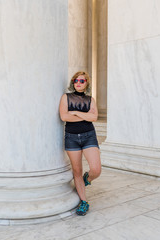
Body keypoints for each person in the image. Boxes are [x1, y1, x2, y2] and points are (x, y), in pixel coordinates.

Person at [59, 71, 101, 216]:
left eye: (82, 81)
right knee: (76, 171)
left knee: (96, 169)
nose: (78, 83)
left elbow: (94, 117)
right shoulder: (66, 97)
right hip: (71, 137)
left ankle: (86, 179)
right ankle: (84, 202)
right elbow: (64, 116)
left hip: (89, 136)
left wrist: (75, 112)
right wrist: (85, 116)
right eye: (76, 80)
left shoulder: (90, 99)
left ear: (87, 83)